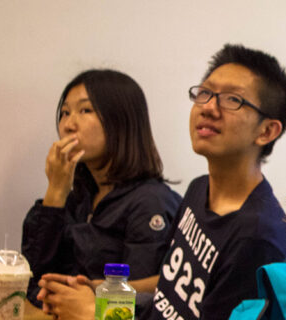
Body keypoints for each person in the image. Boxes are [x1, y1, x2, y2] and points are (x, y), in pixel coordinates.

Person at [37, 44, 286, 320]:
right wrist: (105, 290)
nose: (209, 107)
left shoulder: (256, 235)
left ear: (267, 131)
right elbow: (169, 283)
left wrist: (95, 314)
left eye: (232, 99)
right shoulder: (200, 189)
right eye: (205, 93)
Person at [21, 69, 181, 307]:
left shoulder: (150, 202)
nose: (68, 125)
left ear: (121, 121)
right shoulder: (81, 196)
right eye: (65, 113)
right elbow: (32, 279)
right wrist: (55, 192)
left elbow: (139, 303)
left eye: (85, 110)